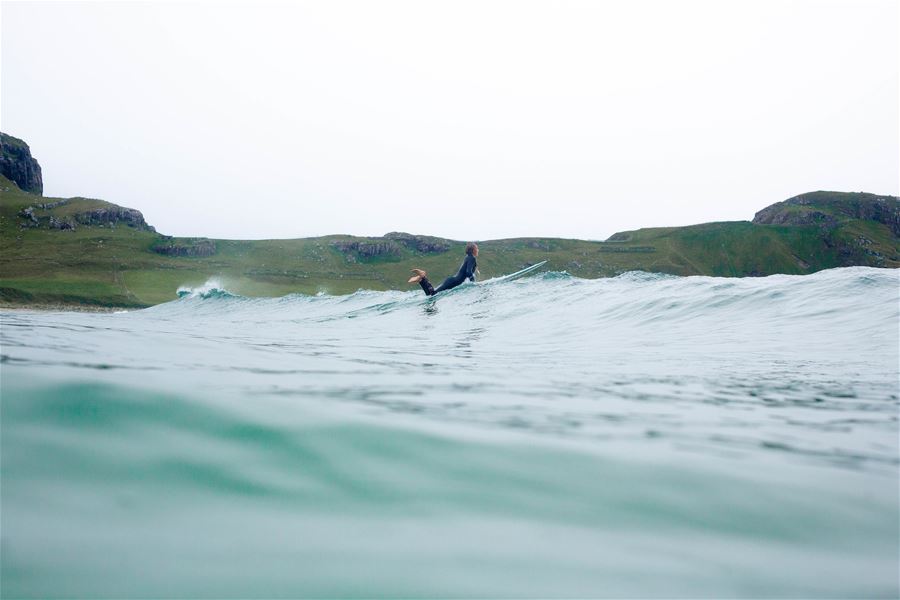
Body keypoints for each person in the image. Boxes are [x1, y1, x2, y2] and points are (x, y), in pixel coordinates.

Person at [408, 242, 478, 296]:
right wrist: (473, 283)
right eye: (476, 248)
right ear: (473, 250)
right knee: (433, 294)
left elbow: (467, 272)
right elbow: (468, 272)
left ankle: (421, 280)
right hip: (453, 282)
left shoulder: (468, 257)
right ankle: (423, 276)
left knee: (431, 294)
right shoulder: (472, 258)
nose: (478, 250)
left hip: (452, 281)